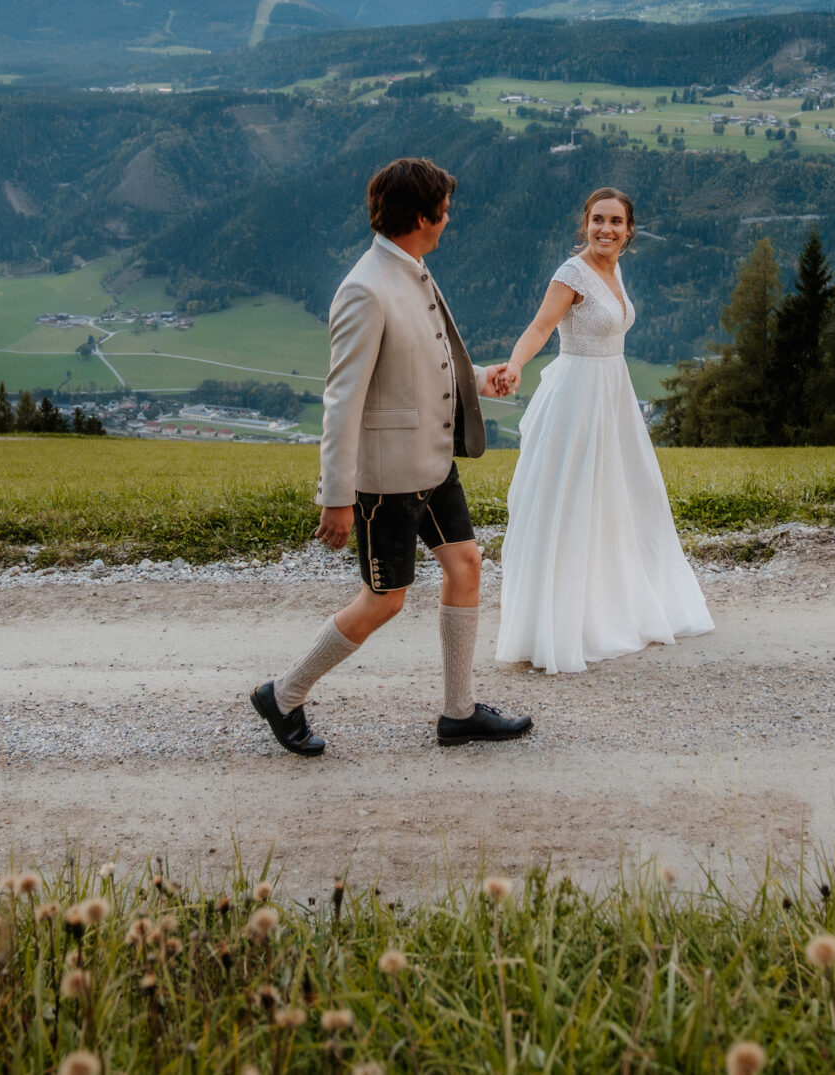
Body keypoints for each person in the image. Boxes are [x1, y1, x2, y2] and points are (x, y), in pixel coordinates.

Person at [250, 157, 534, 755]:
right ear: (421, 218)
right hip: (387, 480)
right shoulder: (365, 288)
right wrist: (337, 496)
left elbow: (419, 365)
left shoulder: (411, 267)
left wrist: (480, 379)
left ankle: (459, 713)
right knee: (385, 601)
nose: (449, 220)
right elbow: (341, 401)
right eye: (444, 211)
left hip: (433, 463)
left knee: (466, 564)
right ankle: (284, 694)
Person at [483, 187, 712, 674]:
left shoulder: (615, 270)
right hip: (577, 398)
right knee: (571, 502)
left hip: (613, 395)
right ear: (585, 224)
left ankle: (612, 607)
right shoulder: (571, 274)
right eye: (598, 220)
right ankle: (560, 624)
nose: (606, 229)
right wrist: (516, 364)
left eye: (616, 222)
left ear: (629, 231)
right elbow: (540, 327)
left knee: (624, 498)